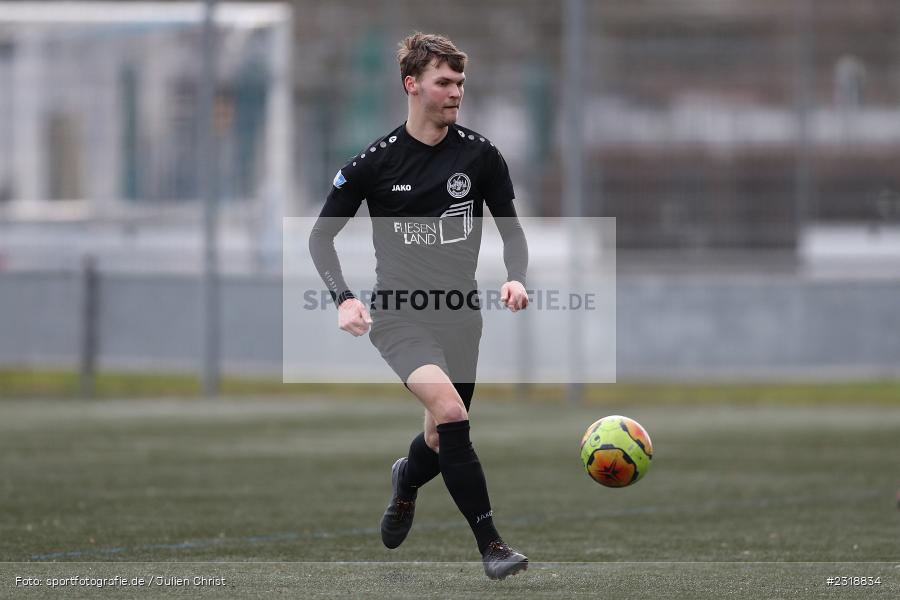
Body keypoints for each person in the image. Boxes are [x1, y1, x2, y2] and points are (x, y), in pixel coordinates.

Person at [309, 32, 529, 580]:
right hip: (400, 315)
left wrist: (516, 278)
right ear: (413, 85)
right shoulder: (375, 162)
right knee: (454, 416)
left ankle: (407, 479)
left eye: (460, 83)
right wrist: (344, 300)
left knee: (438, 437)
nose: (456, 92)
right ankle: (493, 547)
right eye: (444, 82)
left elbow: (512, 232)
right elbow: (320, 238)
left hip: (462, 318)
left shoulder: (481, 155)